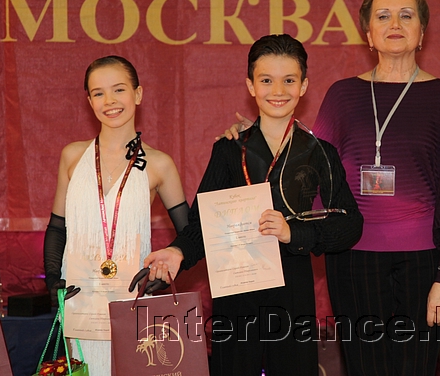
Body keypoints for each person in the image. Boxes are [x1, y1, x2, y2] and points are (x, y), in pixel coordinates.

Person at [223, 0, 440, 375]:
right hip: (352, 259)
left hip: (423, 263)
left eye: (406, 15)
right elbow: (306, 170)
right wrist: (253, 139)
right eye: (383, 16)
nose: (395, 24)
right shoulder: (343, 95)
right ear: (368, 34)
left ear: (422, 31)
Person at [141, 34, 364, 376]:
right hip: (236, 289)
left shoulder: (320, 152)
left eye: (289, 80)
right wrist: (177, 252)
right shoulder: (230, 149)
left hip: (293, 289)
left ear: (304, 86)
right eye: (266, 80)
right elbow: (202, 223)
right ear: (250, 86)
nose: (278, 90)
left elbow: (349, 224)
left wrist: (295, 233)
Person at [43, 55, 188, 375]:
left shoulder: (159, 164)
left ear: (138, 93)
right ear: (89, 101)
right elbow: (57, 227)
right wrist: (53, 279)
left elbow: (190, 235)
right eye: (98, 93)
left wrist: (162, 274)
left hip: (132, 302)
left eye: (119, 89)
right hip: (80, 304)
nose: (109, 100)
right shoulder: (72, 156)